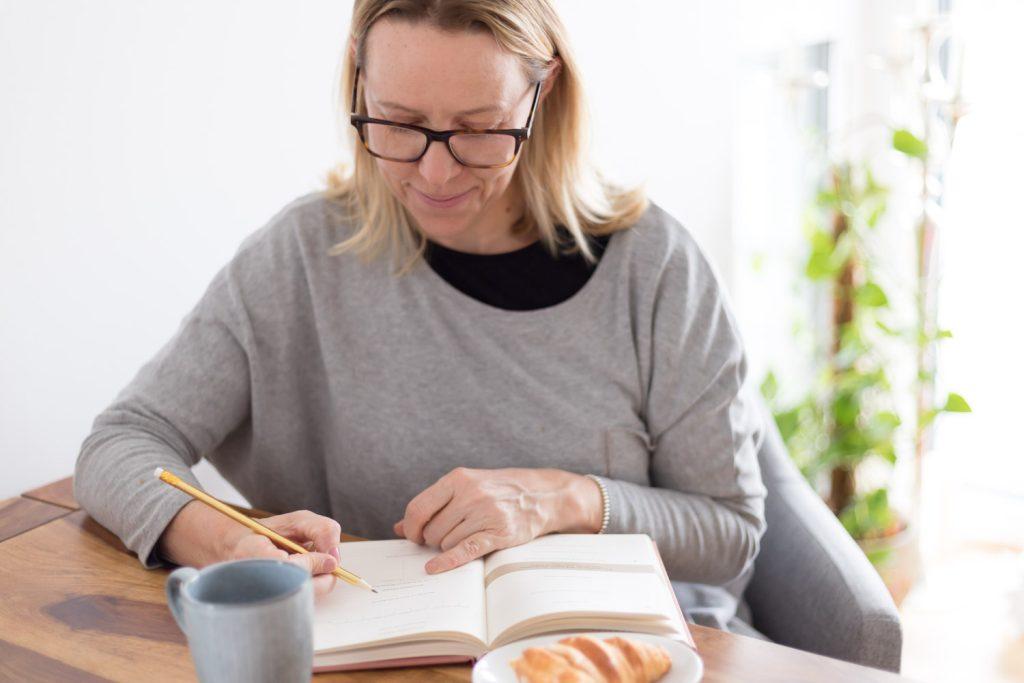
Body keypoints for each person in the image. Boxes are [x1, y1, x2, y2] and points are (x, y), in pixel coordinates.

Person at [75, 0, 768, 634]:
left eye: (479, 129)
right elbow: (121, 444)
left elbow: (731, 530)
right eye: (399, 123)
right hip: (390, 651)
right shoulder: (304, 257)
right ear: (358, 77)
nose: (435, 176)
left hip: (633, 652)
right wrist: (226, 541)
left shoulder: (655, 268)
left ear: (544, 89)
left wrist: (566, 498)